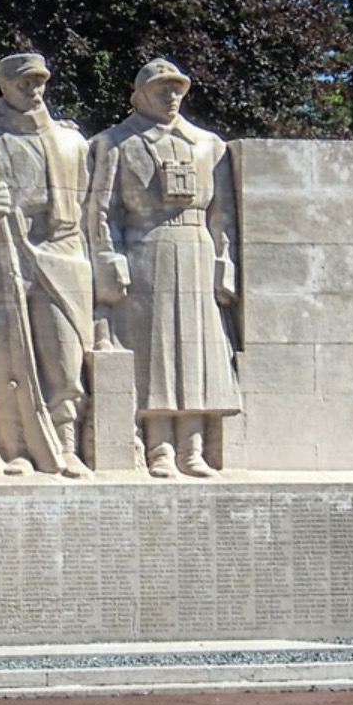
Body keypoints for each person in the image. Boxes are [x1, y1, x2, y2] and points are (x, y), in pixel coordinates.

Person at [89, 58, 241, 478]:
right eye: (161, 89)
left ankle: (193, 447)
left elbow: (222, 215)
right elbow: (101, 212)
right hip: (146, 249)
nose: (171, 96)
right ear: (140, 96)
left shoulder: (208, 144)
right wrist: (108, 258)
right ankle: (158, 448)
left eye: (177, 88)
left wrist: (224, 264)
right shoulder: (114, 143)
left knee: (196, 353)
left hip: (195, 248)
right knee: (153, 353)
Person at [0, 52, 95, 477]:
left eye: (38, 81)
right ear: (3, 84)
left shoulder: (72, 141)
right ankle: (14, 445)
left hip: (62, 253)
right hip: (3, 253)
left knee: (64, 353)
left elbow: (90, 205)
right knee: (3, 355)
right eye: (22, 82)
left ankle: (66, 442)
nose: (32, 89)